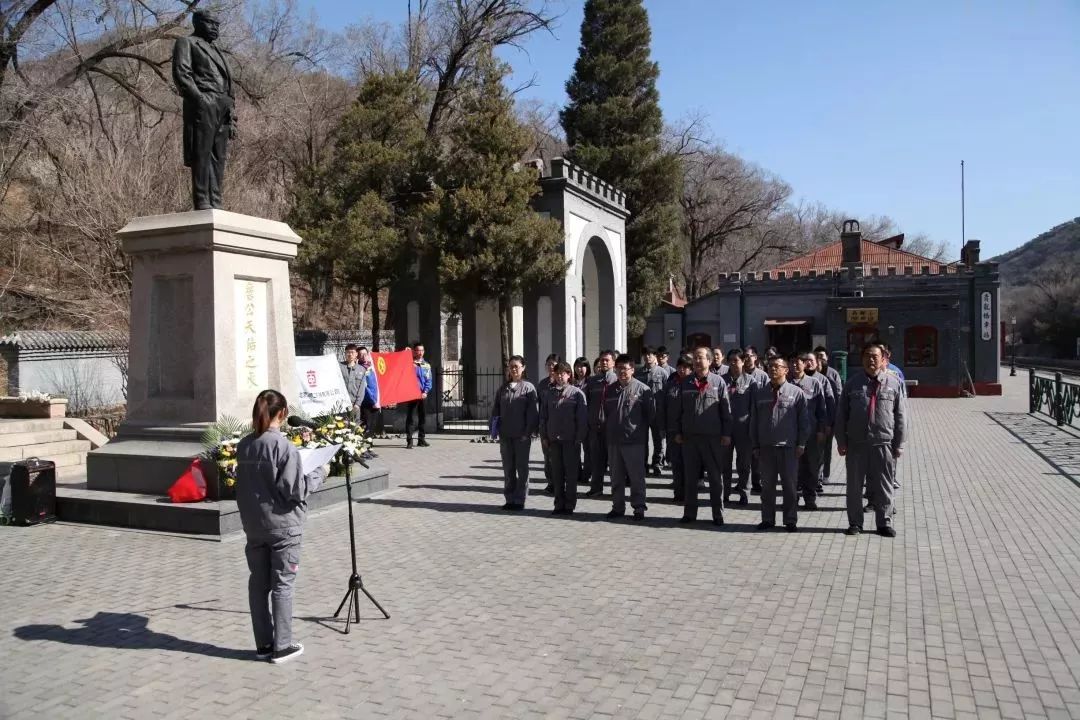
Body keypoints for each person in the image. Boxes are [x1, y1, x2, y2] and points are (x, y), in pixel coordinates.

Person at [235, 389, 327, 664]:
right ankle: (282, 645)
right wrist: (320, 473)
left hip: (255, 524)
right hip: (284, 526)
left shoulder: (245, 444)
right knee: (283, 584)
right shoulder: (282, 447)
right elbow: (295, 490)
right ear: (283, 414)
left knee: (258, 585)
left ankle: (264, 643)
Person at [836, 343, 907, 537]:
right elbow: (841, 415)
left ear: (883, 359)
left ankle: (884, 522)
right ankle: (855, 523)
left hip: (883, 442)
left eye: (875, 356)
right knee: (854, 486)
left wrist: (899, 443)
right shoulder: (852, 383)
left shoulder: (894, 383)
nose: (871, 359)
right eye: (867, 355)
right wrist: (841, 441)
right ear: (862, 359)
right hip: (857, 443)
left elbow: (901, 415)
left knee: (884, 485)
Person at [172, 10, 235, 210]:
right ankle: (202, 200)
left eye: (218, 25)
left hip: (223, 107)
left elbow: (228, 84)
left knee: (219, 156)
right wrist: (200, 99)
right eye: (211, 23)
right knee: (201, 152)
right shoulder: (187, 43)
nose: (216, 28)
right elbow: (182, 73)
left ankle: (216, 200)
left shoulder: (218, 51)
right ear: (198, 23)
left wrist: (232, 115)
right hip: (204, 102)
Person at [674, 346, 732, 526]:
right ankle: (690, 513)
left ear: (709, 360)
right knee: (690, 478)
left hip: (712, 438)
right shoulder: (685, 383)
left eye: (701, 358)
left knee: (715, 478)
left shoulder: (718, 382)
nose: (698, 361)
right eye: (696, 358)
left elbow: (726, 411)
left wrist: (726, 434)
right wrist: (677, 432)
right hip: (690, 439)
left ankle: (718, 514)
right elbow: (678, 411)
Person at [751, 358, 810, 532]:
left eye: (777, 367)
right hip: (766, 447)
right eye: (771, 367)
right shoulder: (760, 394)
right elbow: (754, 421)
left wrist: (801, 444)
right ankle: (768, 519)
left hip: (788, 448)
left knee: (790, 487)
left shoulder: (796, 393)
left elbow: (804, 422)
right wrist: (755, 445)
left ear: (785, 370)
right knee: (767, 487)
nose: (773, 369)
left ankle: (790, 520)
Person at [602, 354, 654, 521]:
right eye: (619, 369)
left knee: (636, 477)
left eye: (625, 368)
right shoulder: (609, 389)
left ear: (632, 369)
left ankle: (639, 507)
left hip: (634, 441)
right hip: (614, 441)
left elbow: (650, 415)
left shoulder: (643, 389)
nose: (622, 372)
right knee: (616, 477)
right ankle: (617, 507)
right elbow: (606, 413)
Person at [539, 361, 588, 515]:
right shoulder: (549, 394)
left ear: (569, 375)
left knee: (571, 474)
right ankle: (558, 504)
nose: (560, 376)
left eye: (563, 373)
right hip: (554, 440)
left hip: (571, 440)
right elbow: (543, 417)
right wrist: (544, 436)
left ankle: (569, 505)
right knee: (557, 474)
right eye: (557, 373)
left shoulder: (577, 394)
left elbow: (582, 419)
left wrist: (579, 438)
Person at [492, 355, 539, 511]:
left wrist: (528, 432)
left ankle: (520, 499)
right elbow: (495, 412)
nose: (513, 369)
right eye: (511, 366)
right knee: (508, 468)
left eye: (516, 366)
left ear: (523, 368)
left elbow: (533, 413)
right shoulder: (503, 389)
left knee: (522, 468)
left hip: (522, 436)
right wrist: (494, 429)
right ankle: (509, 498)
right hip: (506, 436)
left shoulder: (528, 388)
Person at [789, 352, 829, 511]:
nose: (794, 365)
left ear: (805, 364)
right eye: (791, 362)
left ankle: (810, 498)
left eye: (798, 362)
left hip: (811, 433)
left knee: (812, 467)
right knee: (793, 468)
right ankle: (793, 498)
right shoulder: (786, 384)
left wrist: (821, 429)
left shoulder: (814, 383)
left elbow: (822, 409)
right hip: (791, 434)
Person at [721, 350, 753, 507]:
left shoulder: (751, 382)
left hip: (744, 429)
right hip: (725, 429)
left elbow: (754, 408)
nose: (733, 363)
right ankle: (724, 493)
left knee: (744, 464)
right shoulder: (721, 381)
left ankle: (744, 493)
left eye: (736, 360)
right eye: (731, 360)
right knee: (724, 463)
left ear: (743, 361)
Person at [585, 350, 617, 497]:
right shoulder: (592, 382)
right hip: (595, 427)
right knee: (596, 460)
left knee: (615, 462)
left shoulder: (618, 381)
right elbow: (587, 403)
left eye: (607, 360)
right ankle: (596, 488)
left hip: (612, 429)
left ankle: (616, 490)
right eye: (602, 360)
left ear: (613, 362)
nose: (604, 363)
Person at [660, 357, 692, 502]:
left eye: (685, 367)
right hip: (673, 430)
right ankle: (678, 493)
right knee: (676, 462)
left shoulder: (694, 384)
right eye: (680, 367)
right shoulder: (670, 385)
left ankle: (690, 493)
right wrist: (663, 427)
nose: (682, 369)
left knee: (690, 463)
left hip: (690, 431)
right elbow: (663, 407)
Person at [804, 353, 834, 492]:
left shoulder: (822, 380)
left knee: (818, 456)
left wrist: (827, 424)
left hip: (817, 426)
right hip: (800, 427)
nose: (808, 363)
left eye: (811, 360)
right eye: (805, 360)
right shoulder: (796, 379)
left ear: (817, 363)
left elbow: (829, 402)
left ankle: (818, 481)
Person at [637, 346, 668, 477]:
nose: (647, 357)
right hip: (642, 413)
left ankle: (657, 464)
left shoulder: (662, 373)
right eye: (645, 354)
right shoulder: (638, 373)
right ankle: (643, 465)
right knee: (642, 441)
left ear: (655, 356)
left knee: (658, 441)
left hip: (658, 412)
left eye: (650, 354)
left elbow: (667, 393)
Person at [814, 346, 843, 483]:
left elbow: (837, 397)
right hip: (814, 419)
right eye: (817, 356)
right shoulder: (809, 374)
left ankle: (825, 474)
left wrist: (833, 420)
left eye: (822, 356)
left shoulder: (833, 374)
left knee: (826, 448)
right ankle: (815, 475)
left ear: (826, 358)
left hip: (829, 418)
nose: (820, 359)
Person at [743, 345, 769, 495]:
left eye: (750, 355)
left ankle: (756, 482)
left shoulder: (762, 376)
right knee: (744, 456)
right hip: (743, 420)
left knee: (756, 455)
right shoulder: (739, 375)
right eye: (745, 356)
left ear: (756, 358)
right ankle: (743, 483)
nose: (747, 358)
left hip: (758, 419)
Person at [536, 354, 560, 494]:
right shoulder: (542, 384)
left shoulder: (562, 382)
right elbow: (538, 405)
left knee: (559, 457)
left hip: (560, 425)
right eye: (549, 364)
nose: (551, 367)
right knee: (548, 456)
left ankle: (560, 482)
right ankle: (551, 482)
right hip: (546, 424)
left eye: (554, 364)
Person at [405, 342, 432, 449]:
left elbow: (429, 380)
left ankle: (421, 439)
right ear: (414, 351)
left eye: (422, 350)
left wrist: (425, 391)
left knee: (422, 417)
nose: (420, 352)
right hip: (412, 395)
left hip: (423, 395)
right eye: (418, 350)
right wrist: (407, 353)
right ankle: (409, 440)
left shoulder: (426, 365)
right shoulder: (410, 363)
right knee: (410, 418)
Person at [572, 357, 592, 481]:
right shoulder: (572, 383)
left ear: (587, 368)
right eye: (578, 366)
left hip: (588, 422)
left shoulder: (591, 382)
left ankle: (587, 474)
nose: (580, 369)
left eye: (583, 366)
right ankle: (577, 473)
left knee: (588, 450)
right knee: (574, 450)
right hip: (573, 422)